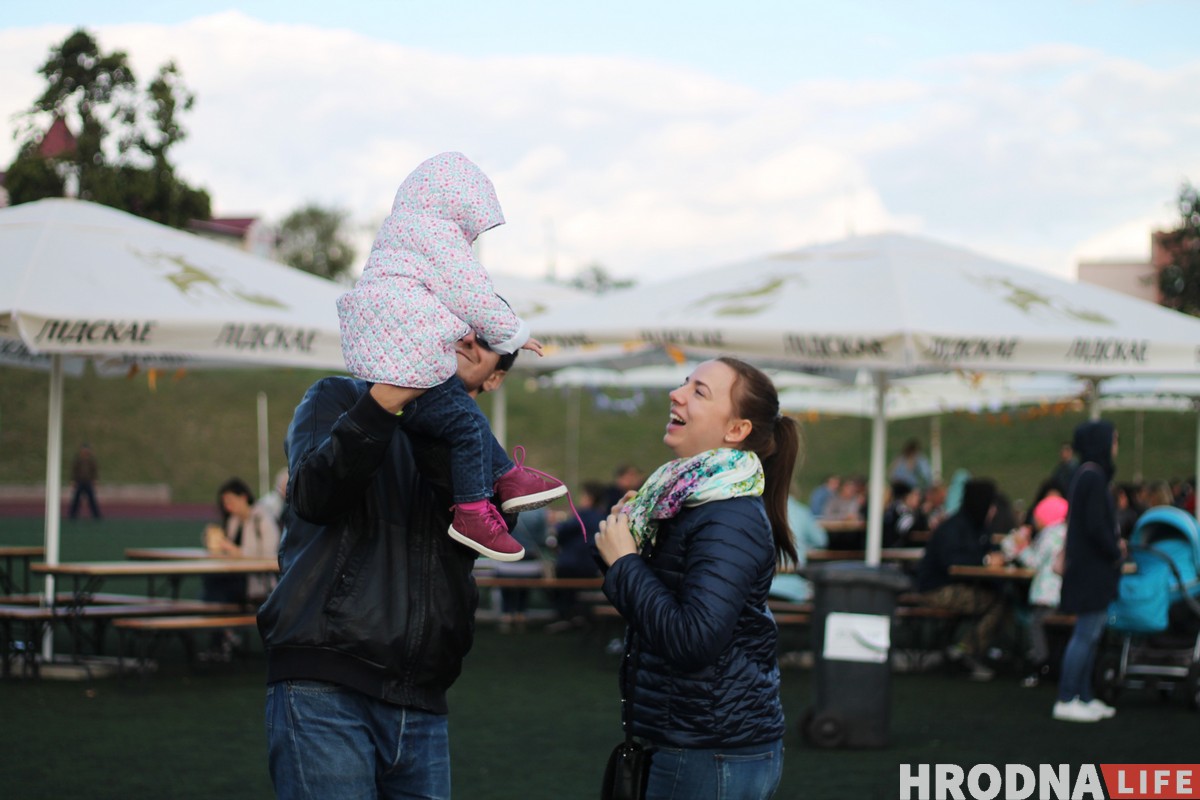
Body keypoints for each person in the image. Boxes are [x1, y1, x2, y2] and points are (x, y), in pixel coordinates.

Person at [258, 332, 515, 799]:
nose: (469, 339)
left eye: (488, 339)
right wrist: (381, 407)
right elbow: (313, 497)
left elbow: (500, 526)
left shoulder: (483, 452)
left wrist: (451, 430)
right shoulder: (339, 395)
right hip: (325, 680)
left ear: (495, 378)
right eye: (463, 326)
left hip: (423, 696)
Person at [336, 151, 565, 563]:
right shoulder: (437, 236)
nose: (470, 342)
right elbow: (473, 291)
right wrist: (514, 333)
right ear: (460, 210)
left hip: (380, 350)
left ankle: (507, 479)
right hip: (407, 357)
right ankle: (473, 512)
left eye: (485, 345)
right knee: (464, 423)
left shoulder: (396, 232)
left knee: (465, 417)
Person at [594, 357, 799, 799]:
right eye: (685, 382)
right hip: (695, 740)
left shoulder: (728, 516)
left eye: (700, 391)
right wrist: (623, 548)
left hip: (712, 751)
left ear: (736, 430)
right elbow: (663, 604)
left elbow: (693, 639)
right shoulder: (686, 498)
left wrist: (626, 563)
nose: (677, 393)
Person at [1053, 420, 1124, 723]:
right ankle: (1067, 697)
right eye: (1114, 439)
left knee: (1090, 634)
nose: (1116, 446)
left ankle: (1082, 695)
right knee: (1085, 634)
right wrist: (1114, 549)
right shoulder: (1093, 477)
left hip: (1087, 567)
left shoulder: (1086, 475)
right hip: (1091, 568)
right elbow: (1097, 526)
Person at [914, 478, 1004, 681]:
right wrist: (986, 559)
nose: (994, 511)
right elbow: (951, 562)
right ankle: (967, 651)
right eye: (990, 505)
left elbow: (989, 551)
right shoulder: (953, 527)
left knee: (1000, 596)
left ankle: (962, 648)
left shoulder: (978, 526)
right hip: (936, 588)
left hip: (958, 585)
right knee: (997, 603)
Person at [990, 495, 1069, 688]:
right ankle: (1054, 665)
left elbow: (1034, 562)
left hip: (1046, 593)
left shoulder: (1049, 535)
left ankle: (1041, 666)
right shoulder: (1066, 532)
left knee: (1037, 628)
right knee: (1054, 632)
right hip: (1062, 593)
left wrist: (1022, 548)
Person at [202, 477, 281, 659]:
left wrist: (235, 550)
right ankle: (223, 637)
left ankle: (222, 639)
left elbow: (270, 556)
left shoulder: (263, 518)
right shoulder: (233, 521)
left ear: (243, 497)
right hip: (236, 577)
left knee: (215, 590)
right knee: (212, 583)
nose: (227, 506)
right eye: (225, 503)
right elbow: (227, 552)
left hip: (257, 582)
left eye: (230, 501)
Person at [545, 481, 605, 632]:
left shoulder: (582, 516)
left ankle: (566, 617)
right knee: (579, 592)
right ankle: (579, 615)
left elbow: (560, 532)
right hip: (592, 565)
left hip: (571, 565)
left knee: (561, 590)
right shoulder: (602, 516)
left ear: (590, 498)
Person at [68, 443, 101, 520]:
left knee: (92, 499)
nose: (85, 451)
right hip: (80, 481)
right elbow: (74, 470)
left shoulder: (91, 460)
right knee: (76, 499)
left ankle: (96, 515)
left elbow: (94, 471)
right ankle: (72, 515)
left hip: (88, 482)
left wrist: (95, 481)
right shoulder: (78, 460)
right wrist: (73, 480)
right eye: (84, 450)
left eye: (86, 450)